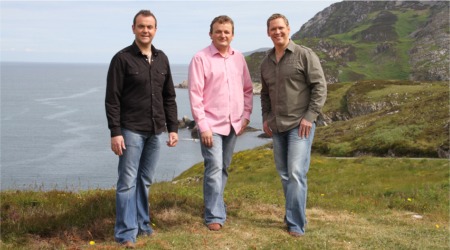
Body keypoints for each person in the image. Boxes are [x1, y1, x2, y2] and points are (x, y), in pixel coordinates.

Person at [105, 10, 178, 248]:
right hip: (130, 130)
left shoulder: (162, 58)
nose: (145, 30)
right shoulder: (122, 59)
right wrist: (115, 132)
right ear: (133, 28)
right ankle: (126, 233)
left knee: (145, 180)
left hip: (156, 130)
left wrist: (173, 128)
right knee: (127, 181)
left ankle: (143, 225)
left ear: (155, 30)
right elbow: (112, 99)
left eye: (150, 27)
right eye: (141, 26)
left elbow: (169, 97)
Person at [260, 13, 327, 237]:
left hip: (300, 125)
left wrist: (310, 116)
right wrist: (266, 117)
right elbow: (265, 95)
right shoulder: (265, 62)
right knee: (285, 175)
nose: (277, 32)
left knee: (296, 173)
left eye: (281, 28)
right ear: (268, 32)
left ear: (288, 29)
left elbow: (320, 87)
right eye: (273, 29)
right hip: (277, 127)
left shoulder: (304, 55)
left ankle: (296, 224)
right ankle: (292, 216)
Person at [188, 15, 253, 231]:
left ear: (232, 35)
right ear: (211, 34)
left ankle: (216, 205)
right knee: (214, 167)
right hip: (211, 125)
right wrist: (203, 126)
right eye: (218, 31)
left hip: (234, 124)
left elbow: (247, 89)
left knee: (223, 168)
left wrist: (246, 116)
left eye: (226, 32)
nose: (222, 35)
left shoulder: (239, 58)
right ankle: (214, 215)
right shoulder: (200, 58)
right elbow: (195, 95)